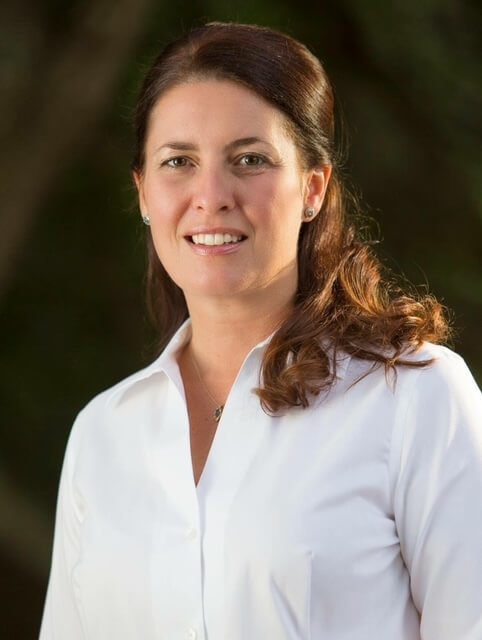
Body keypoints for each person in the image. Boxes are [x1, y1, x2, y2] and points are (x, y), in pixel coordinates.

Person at [39, 22, 482, 640]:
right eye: (178, 162)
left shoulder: (417, 397)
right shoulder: (102, 434)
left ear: (313, 188)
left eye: (250, 159)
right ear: (142, 193)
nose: (211, 195)